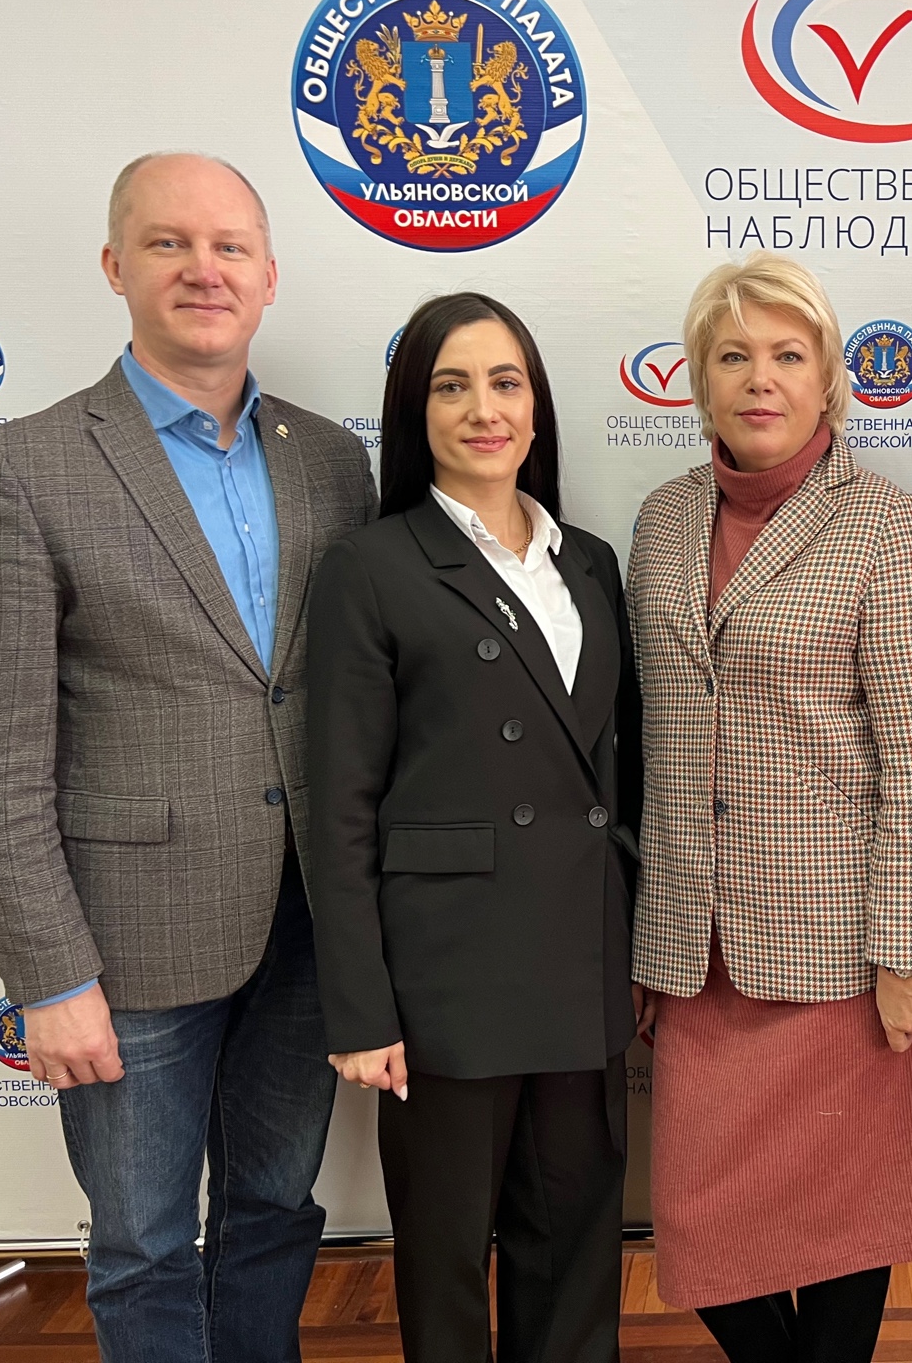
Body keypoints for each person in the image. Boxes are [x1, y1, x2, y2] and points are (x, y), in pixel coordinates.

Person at [0, 152, 376, 1360]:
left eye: (230, 247)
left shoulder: (331, 461)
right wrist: (49, 978)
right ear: (115, 266)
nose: (203, 269)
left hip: (309, 928)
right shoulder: (22, 471)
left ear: (269, 276)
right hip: (129, 947)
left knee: (276, 1208)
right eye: (169, 243)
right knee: (141, 1244)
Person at [629, 253, 912, 1363]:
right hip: (696, 946)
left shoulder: (884, 525)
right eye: (733, 356)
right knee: (698, 1222)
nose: (761, 379)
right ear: (698, 379)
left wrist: (909, 954)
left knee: (843, 1223)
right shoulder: (661, 520)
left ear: (829, 379)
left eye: (789, 355)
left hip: (838, 948)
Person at [307, 293, 641, 1362]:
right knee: (446, 1258)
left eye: (505, 383)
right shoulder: (372, 567)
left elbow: (620, 773)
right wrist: (361, 1008)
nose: (483, 409)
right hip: (447, 975)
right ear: (416, 411)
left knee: (577, 1247)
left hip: (581, 957)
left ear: (537, 407)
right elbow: (339, 805)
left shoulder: (590, 562)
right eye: (451, 386)